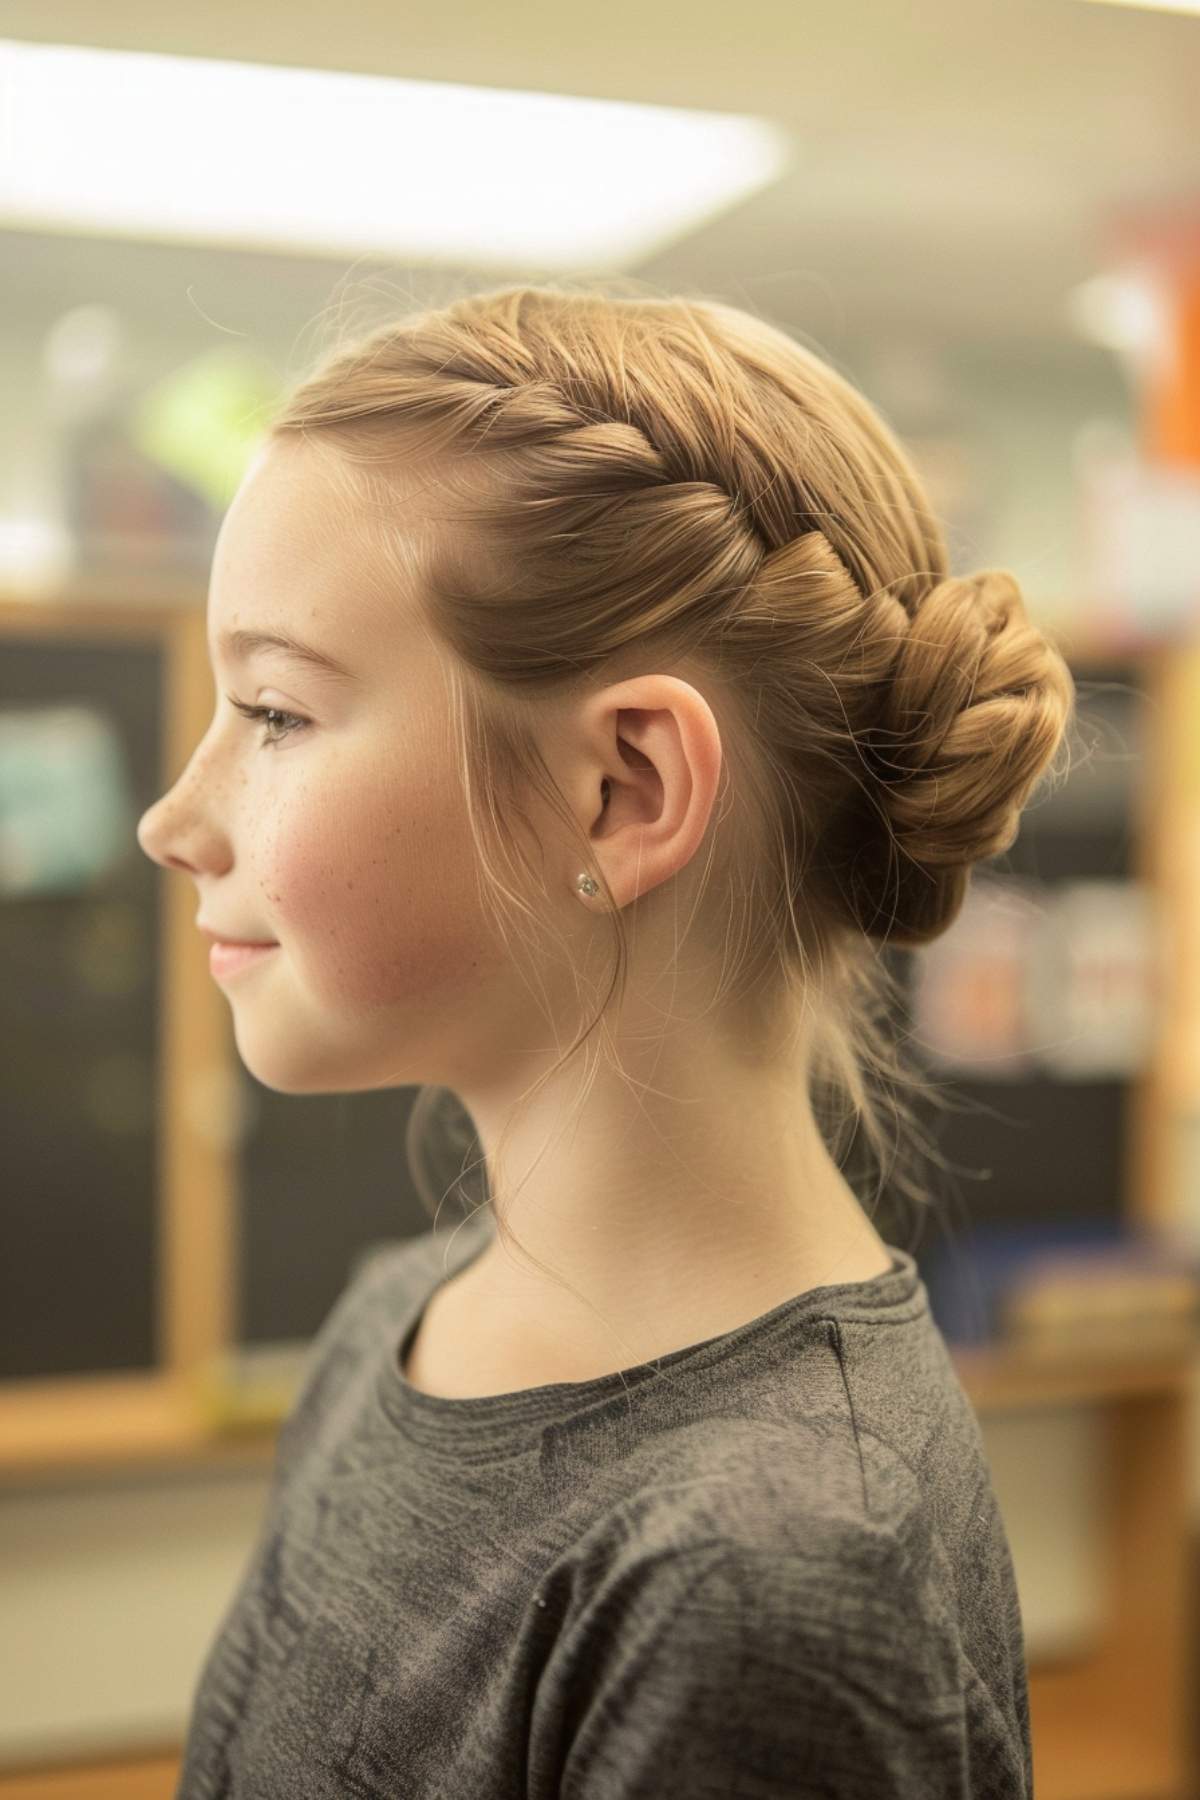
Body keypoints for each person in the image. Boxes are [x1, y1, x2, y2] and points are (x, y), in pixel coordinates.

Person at [137, 282, 1073, 1798]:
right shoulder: (399, 1321)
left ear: (625, 790)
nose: (174, 820)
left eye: (278, 712)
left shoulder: (768, 1583)